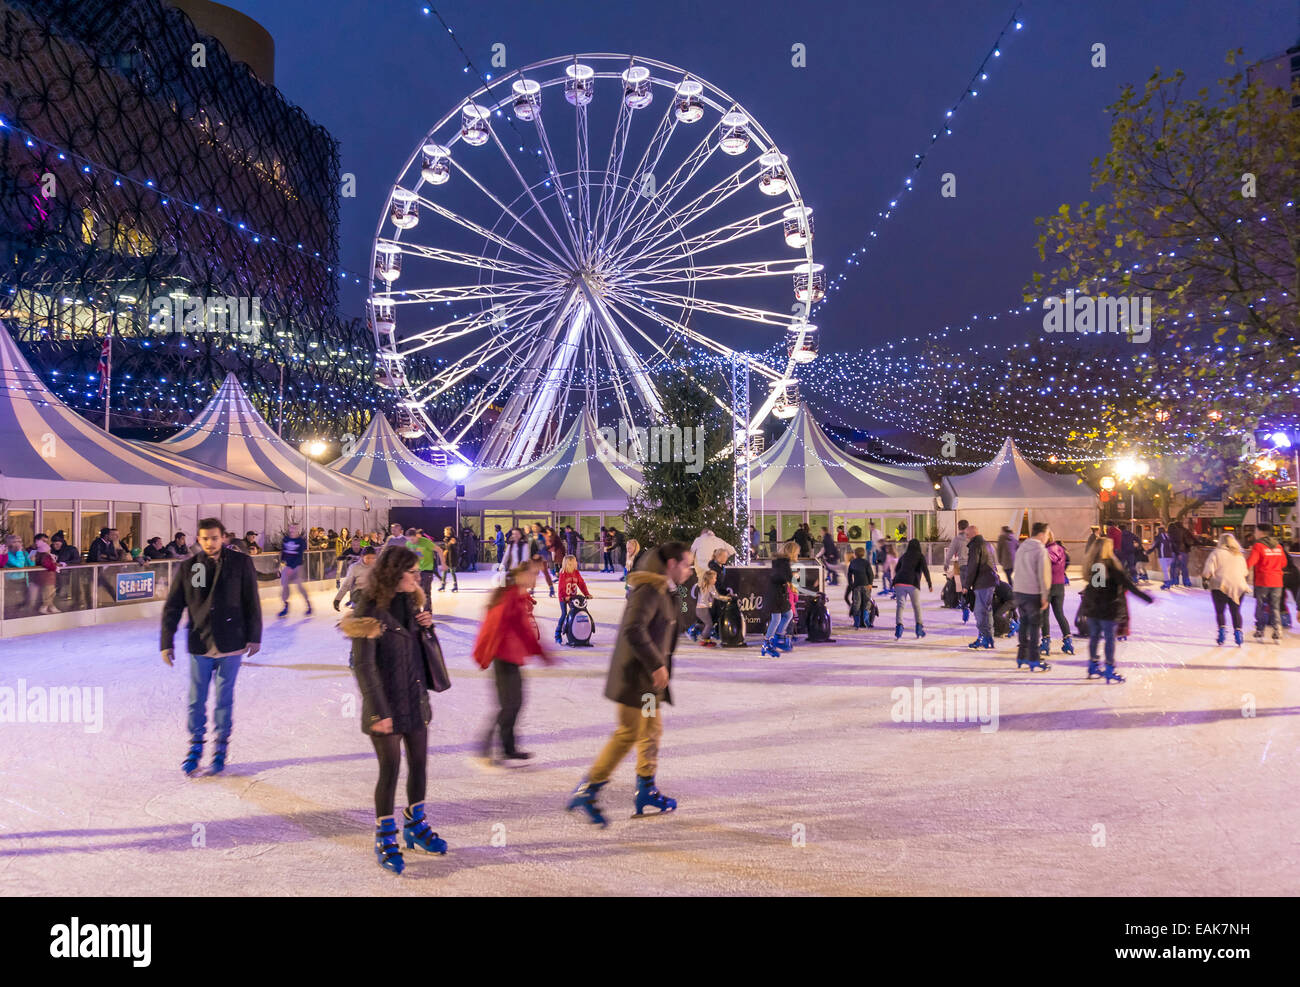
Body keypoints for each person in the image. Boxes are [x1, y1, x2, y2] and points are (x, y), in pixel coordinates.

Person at [566, 542, 690, 826]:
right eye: (686, 564)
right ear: (671, 564)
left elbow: (677, 622)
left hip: (647, 685)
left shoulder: (664, 590)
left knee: (651, 729)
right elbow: (634, 629)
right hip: (637, 680)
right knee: (629, 733)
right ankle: (588, 789)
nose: (689, 570)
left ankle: (646, 789)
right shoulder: (648, 590)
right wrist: (656, 664)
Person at [341, 545, 448, 873]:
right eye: (412, 572)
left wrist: (428, 628)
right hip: (384, 705)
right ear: (394, 572)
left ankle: (415, 826)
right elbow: (362, 665)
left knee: (419, 765)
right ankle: (385, 837)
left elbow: (422, 654)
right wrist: (377, 710)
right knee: (390, 770)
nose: (418, 577)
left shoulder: (413, 603)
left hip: (414, 699)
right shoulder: (367, 608)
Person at [161, 517, 262, 776]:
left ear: (223, 538)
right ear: (198, 539)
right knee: (196, 700)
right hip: (201, 642)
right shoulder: (192, 567)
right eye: (205, 538)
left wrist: (255, 635)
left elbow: (252, 600)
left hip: (232, 643)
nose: (210, 543)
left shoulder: (240, 563)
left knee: (224, 700)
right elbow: (174, 605)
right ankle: (195, 747)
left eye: (214, 538)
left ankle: (220, 748)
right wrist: (166, 641)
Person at [473, 561, 550, 769]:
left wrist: (539, 652)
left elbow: (523, 631)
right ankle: (486, 749)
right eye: (533, 574)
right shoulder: (510, 598)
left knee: (514, 703)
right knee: (508, 705)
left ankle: (508, 748)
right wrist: (485, 654)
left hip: (513, 657)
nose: (536, 578)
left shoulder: (518, 597)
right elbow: (496, 628)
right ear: (522, 575)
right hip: (503, 658)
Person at [1080, 536, 1153, 682]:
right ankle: (1109, 668)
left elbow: (1095, 588)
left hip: (1093, 609)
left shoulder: (1095, 565)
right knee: (1109, 639)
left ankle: (1093, 666)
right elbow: (1128, 585)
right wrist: (1147, 598)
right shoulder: (1110, 565)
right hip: (1107, 609)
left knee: (1094, 637)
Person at [1011, 522, 1052, 671]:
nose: (1047, 538)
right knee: (1035, 626)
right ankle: (1034, 659)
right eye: (1047, 535)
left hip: (1019, 591)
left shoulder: (1022, 547)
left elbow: (1016, 568)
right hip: (1033, 592)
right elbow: (1044, 575)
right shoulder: (1040, 550)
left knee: (1024, 624)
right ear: (1041, 534)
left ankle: (1021, 656)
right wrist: (1045, 595)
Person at [1203, 533, 1249, 646]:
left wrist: (1205, 579)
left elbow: (1208, 570)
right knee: (1235, 611)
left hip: (1220, 585)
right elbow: (1245, 572)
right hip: (1238, 586)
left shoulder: (1216, 553)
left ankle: (1222, 632)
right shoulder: (1239, 555)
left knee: (1220, 611)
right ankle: (1238, 633)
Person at [1245, 523, 1287, 642]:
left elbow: (1250, 562)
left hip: (1263, 580)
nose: (1255, 533)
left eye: (1256, 530)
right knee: (1275, 607)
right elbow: (1284, 563)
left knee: (1261, 606)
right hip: (1277, 581)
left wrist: (1242, 569)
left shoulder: (1258, 546)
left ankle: (1260, 630)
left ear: (1260, 532)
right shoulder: (1278, 546)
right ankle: (1277, 630)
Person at [960, 525, 999, 649]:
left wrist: (966, 585)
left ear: (972, 534)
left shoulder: (975, 545)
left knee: (979, 611)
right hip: (990, 581)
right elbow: (993, 562)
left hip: (983, 583)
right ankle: (989, 638)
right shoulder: (987, 544)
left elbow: (972, 567)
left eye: (967, 534)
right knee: (987, 611)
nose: (966, 537)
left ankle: (984, 637)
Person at [760, 541, 799, 659]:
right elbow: (782, 577)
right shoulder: (783, 563)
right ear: (792, 552)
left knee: (788, 614)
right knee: (776, 619)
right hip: (775, 595)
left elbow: (780, 577)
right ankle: (767, 644)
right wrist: (794, 577)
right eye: (797, 552)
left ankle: (777, 638)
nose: (798, 554)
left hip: (778, 594)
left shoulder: (780, 562)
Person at [1040, 531, 1073, 656]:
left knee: (1044, 614)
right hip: (1059, 585)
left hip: (1048, 585)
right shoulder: (1060, 549)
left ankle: (1045, 642)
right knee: (1059, 613)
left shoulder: (1045, 552)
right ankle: (1068, 641)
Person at [890, 538, 931, 639]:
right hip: (912, 583)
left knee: (900, 605)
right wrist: (929, 584)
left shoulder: (904, 555)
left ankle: (899, 628)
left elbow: (896, 569)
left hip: (899, 582)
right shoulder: (920, 556)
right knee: (916, 606)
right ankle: (919, 629)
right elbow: (925, 570)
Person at [555, 554, 591, 644]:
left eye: (575, 562)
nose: (575, 564)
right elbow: (561, 587)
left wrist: (587, 594)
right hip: (563, 597)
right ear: (567, 564)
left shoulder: (576, 573)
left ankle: (575, 632)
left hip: (573, 597)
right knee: (564, 614)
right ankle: (558, 634)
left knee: (576, 613)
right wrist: (564, 596)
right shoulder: (563, 574)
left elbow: (581, 584)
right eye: (572, 563)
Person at [278, 522, 311, 617]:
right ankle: (285, 605)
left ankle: (308, 604)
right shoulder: (286, 539)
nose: (292, 530)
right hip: (288, 566)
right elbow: (283, 553)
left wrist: (292, 568)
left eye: (294, 528)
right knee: (284, 585)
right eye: (291, 528)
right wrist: (280, 565)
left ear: (297, 530)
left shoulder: (300, 541)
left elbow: (300, 556)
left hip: (297, 566)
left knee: (299, 586)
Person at [694, 569, 733, 647]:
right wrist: (727, 598)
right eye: (715, 578)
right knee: (709, 624)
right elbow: (717, 596)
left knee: (707, 624)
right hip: (703, 609)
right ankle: (702, 637)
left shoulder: (703, 585)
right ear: (710, 579)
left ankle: (705, 637)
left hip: (699, 609)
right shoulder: (711, 586)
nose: (716, 580)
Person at [846, 546, 875, 628]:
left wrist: (851, 584)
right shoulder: (866, 562)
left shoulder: (853, 562)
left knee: (856, 603)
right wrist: (870, 583)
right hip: (866, 585)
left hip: (857, 585)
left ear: (855, 554)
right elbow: (871, 574)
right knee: (867, 602)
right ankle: (866, 620)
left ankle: (857, 622)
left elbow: (849, 574)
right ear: (863, 554)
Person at [407, 528, 436, 602]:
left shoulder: (425, 541)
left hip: (426, 570)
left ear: (417, 536)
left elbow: (438, 549)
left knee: (426, 592)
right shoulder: (408, 544)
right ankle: (416, 610)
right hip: (415, 571)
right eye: (410, 540)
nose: (411, 541)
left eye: (412, 539)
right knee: (414, 592)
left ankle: (427, 611)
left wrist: (443, 563)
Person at [1168, 519, 1193, 587]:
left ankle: (1175, 580)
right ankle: (1186, 581)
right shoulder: (1186, 531)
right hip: (1184, 551)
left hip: (1174, 551)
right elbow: (1190, 541)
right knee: (1184, 567)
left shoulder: (1173, 531)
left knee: (1174, 566)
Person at [1152, 524, 1176, 590]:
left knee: (1165, 570)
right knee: (1167, 570)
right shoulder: (1168, 536)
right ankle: (1169, 581)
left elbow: (1154, 545)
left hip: (1163, 556)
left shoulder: (1158, 537)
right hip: (1170, 556)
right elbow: (1173, 545)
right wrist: (1177, 553)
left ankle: (1167, 582)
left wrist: (1148, 551)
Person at [438, 527, 459, 592]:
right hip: (447, 558)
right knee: (444, 572)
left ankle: (455, 586)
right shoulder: (446, 539)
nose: (444, 532)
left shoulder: (454, 539)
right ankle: (443, 585)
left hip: (452, 558)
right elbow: (446, 547)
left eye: (445, 531)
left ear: (448, 532)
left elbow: (456, 548)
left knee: (452, 572)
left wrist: (453, 544)